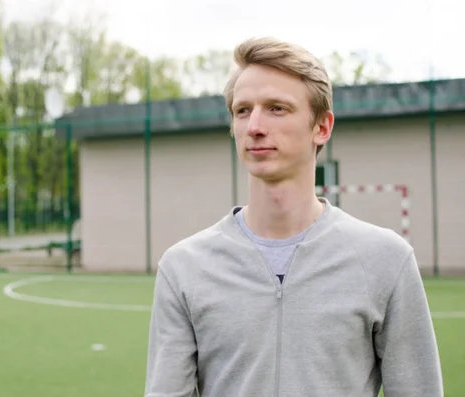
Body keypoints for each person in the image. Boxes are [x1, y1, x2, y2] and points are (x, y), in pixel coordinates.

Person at [143, 37, 443, 397]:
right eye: (242, 110)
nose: (254, 125)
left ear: (322, 127)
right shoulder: (183, 267)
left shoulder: (385, 260)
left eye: (276, 108)